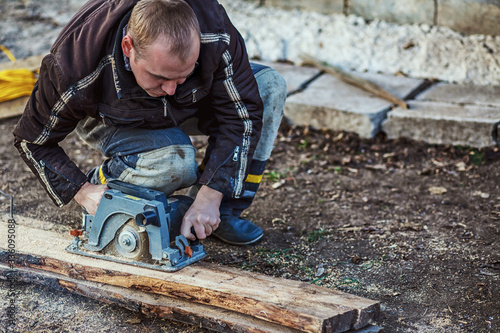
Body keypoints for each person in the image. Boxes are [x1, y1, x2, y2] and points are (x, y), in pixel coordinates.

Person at [13, 0, 286, 245]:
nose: (170, 89)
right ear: (128, 47)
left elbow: (242, 116)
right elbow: (31, 140)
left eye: (182, 76)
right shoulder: (75, 64)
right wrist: (83, 191)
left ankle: (215, 212)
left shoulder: (215, 31)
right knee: (173, 164)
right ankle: (108, 185)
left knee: (268, 86)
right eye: (159, 77)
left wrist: (212, 194)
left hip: (189, 103)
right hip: (113, 112)